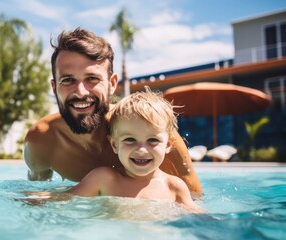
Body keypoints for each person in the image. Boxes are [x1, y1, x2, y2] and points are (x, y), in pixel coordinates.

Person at [23, 27, 202, 195]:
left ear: (112, 83)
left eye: (92, 78)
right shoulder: (41, 141)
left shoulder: (152, 131)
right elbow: (37, 199)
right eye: (68, 80)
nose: (81, 92)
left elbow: (194, 201)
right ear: (54, 87)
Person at [66, 89, 204, 213]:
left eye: (152, 140)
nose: (142, 149)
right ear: (114, 144)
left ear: (168, 144)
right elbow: (61, 202)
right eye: (130, 140)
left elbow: (200, 219)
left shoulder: (174, 187)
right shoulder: (104, 179)